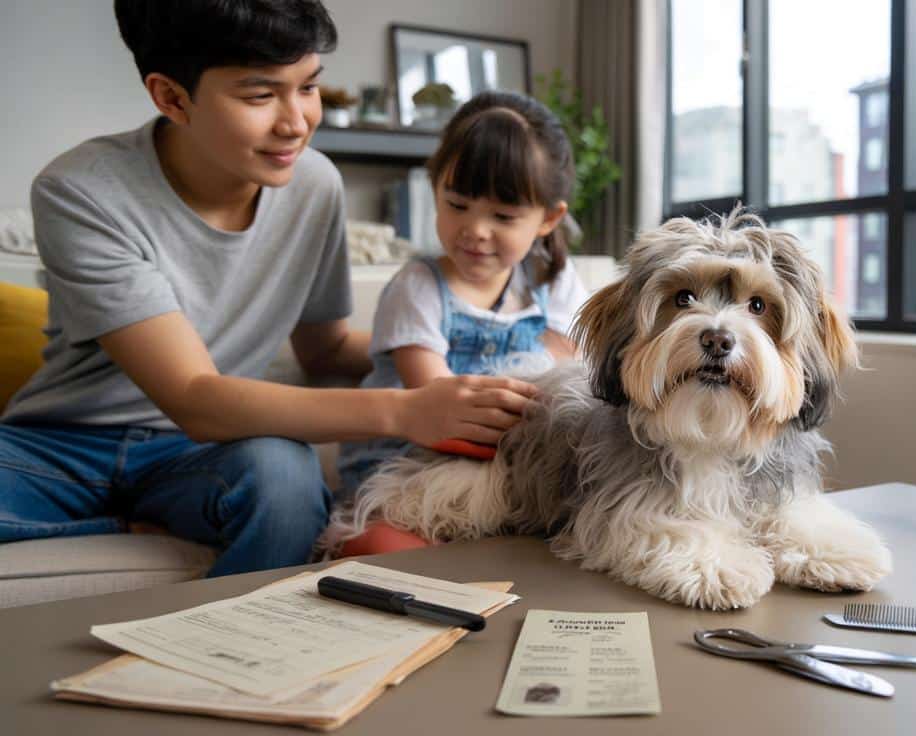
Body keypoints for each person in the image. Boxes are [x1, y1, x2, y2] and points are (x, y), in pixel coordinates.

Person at [0, 1, 536, 577]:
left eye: (308, 87)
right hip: (64, 445)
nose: (296, 121)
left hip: (208, 455)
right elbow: (192, 396)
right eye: (260, 96)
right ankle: (117, 524)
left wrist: (452, 346)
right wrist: (407, 410)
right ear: (171, 97)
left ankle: (235, 648)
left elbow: (324, 350)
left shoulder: (314, 185)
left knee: (284, 478)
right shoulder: (81, 191)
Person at [337, 91, 589, 495]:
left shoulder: (553, 280)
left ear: (549, 218)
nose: (475, 230)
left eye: (503, 216)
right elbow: (440, 409)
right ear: (435, 189)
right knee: (382, 547)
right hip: (408, 468)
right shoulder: (417, 288)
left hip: (509, 464)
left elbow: (565, 379)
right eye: (457, 205)